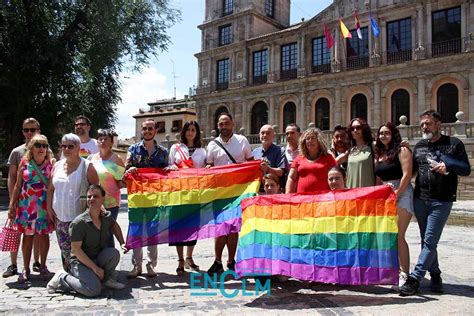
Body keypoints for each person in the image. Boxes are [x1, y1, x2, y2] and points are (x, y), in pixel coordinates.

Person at [400, 110, 471, 296]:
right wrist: (402, 151)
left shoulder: (454, 144)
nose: (424, 127)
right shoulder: (420, 146)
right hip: (420, 199)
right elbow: (411, 170)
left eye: (428, 124)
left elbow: (465, 169)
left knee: (430, 240)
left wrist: (449, 165)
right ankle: (436, 274)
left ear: (438, 125)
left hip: (442, 200)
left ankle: (414, 279)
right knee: (426, 240)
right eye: (422, 124)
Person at [46, 185, 127, 297]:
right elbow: (76, 250)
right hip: (79, 262)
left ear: (103, 199)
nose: (91, 199)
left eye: (96, 196)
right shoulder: (79, 223)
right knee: (93, 290)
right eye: (89, 197)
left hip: (96, 257)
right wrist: (96, 269)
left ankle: (106, 281)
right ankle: (63, 278)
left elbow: (114, 226)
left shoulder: (105, 216)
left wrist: (122, 242)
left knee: (113, 254)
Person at [206, 112, 253, 275]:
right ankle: (217, 261)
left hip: (237, 193)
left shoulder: (242, 141)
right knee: (220, 229)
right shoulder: (212, 145)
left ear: (233, 124)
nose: (223, 126)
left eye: (226, 123)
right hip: (219, 193)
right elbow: (209, 166)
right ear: (217, 126)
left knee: (233, 228)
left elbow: (251, 162)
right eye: (221, 124)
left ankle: (231, 261)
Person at [47, 133, 99, 269]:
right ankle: (68, 276)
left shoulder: (88, 166)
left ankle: (83, 278)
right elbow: (51, 189)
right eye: (63, 146)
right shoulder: (57, 166)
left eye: (70, 146)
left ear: (78, 148)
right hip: (60, 218)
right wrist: (48, 208)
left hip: (79, 219)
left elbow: (96, 192)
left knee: (79, 252)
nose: (66, 149)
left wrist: (94, 214)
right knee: (65, 253)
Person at [125, 118, 169, 278]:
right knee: (136, 231)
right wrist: (131, 169)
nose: (148, 131)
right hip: (136, 197)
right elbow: (126, 171)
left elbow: (167, 173)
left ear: (155, 130)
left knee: (152, 232)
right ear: (141, 131)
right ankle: (137, 266)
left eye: (151, 128)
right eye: (145, 128)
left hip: (155, 198)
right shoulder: (133, 149)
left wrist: (171, 169)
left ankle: (151, 266)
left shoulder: (163, 152)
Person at [8, 135, 54, 283]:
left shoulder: (51, 164)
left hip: (44, 207)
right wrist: (12, 204)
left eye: (44, 145)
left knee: (44, 237)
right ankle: (26, 268)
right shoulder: (24, 163)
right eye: (38, 145)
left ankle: (43, 266)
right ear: (31, 148)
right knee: (27, 238)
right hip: (27, 208)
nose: (41, 148)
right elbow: (17, 185)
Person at [374, 122, 414, 288]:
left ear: (393, 134)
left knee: (399, 235)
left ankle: (405, 273)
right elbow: (378, 178)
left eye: (387, 133)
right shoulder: (380, 154)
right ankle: (394, 271)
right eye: (381, 133)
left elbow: (407, 174)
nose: (383, 136)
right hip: (385, 195)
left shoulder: (402, 150)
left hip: (401, 193)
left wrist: (397, 194)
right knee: (389, 235)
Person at [4, 118, 44, 278]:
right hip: (21, 200)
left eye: (32, 129)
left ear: (38, 130)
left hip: (38, 200)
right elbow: (11, 177)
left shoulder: (44, 149)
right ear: (22, 131)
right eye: (26, 130)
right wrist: (12, 200)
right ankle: (13, 265)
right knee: (16, 232)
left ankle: (36, 262)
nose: (29, 133)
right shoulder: (17, 152)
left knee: (37, 232)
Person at [167, 121, 206, 275]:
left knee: (192, 227)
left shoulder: (202, 151)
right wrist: (174, 168)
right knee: (178, 226)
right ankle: (180, 260)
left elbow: (204, 170)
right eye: (188, 130)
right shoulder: (175, 148)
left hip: (194, 193)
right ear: (183, 132)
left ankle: (190, 257)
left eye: (193, 130)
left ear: (197, 132)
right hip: (178, 192)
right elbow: (169, 166)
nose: (190, 132)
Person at [88, 129, 125, 247]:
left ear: (111, 142)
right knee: (95, 231)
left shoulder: (116, 159)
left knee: (107, 231)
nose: (103, 141)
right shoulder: (91, 159)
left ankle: (110, 260)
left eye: (106, 139)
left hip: (111, 202)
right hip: (94, 201)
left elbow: (120, 182)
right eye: (100, 139)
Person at [286, 128, 337, 194]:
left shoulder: (328, 158)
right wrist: (288, 195)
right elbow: (291, 178)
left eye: (313, 138)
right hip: (303, 199)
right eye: (307, 139)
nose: (310, 141)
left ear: (319, 141)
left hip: (323, 199)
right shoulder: (299, 158)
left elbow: (336, 176)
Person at [339, 118, 376, 188]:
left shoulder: (372, 146)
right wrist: (333, 148)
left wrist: (401, 144)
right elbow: (335, 161)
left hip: (368, 192)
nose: (355, 130)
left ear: (364, 129)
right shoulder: (351, 150)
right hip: (351, 193)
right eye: (352, 129)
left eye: (358, 128)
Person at [252, 125, 287, 191]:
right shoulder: (254, 152)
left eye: (268, 133)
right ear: (259, 135)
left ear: (273, 136)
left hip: (274, 191)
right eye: (262, 133)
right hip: (258, 190)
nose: (265, 135)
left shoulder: (280, 151)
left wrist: (267, 168)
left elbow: (281, 172)